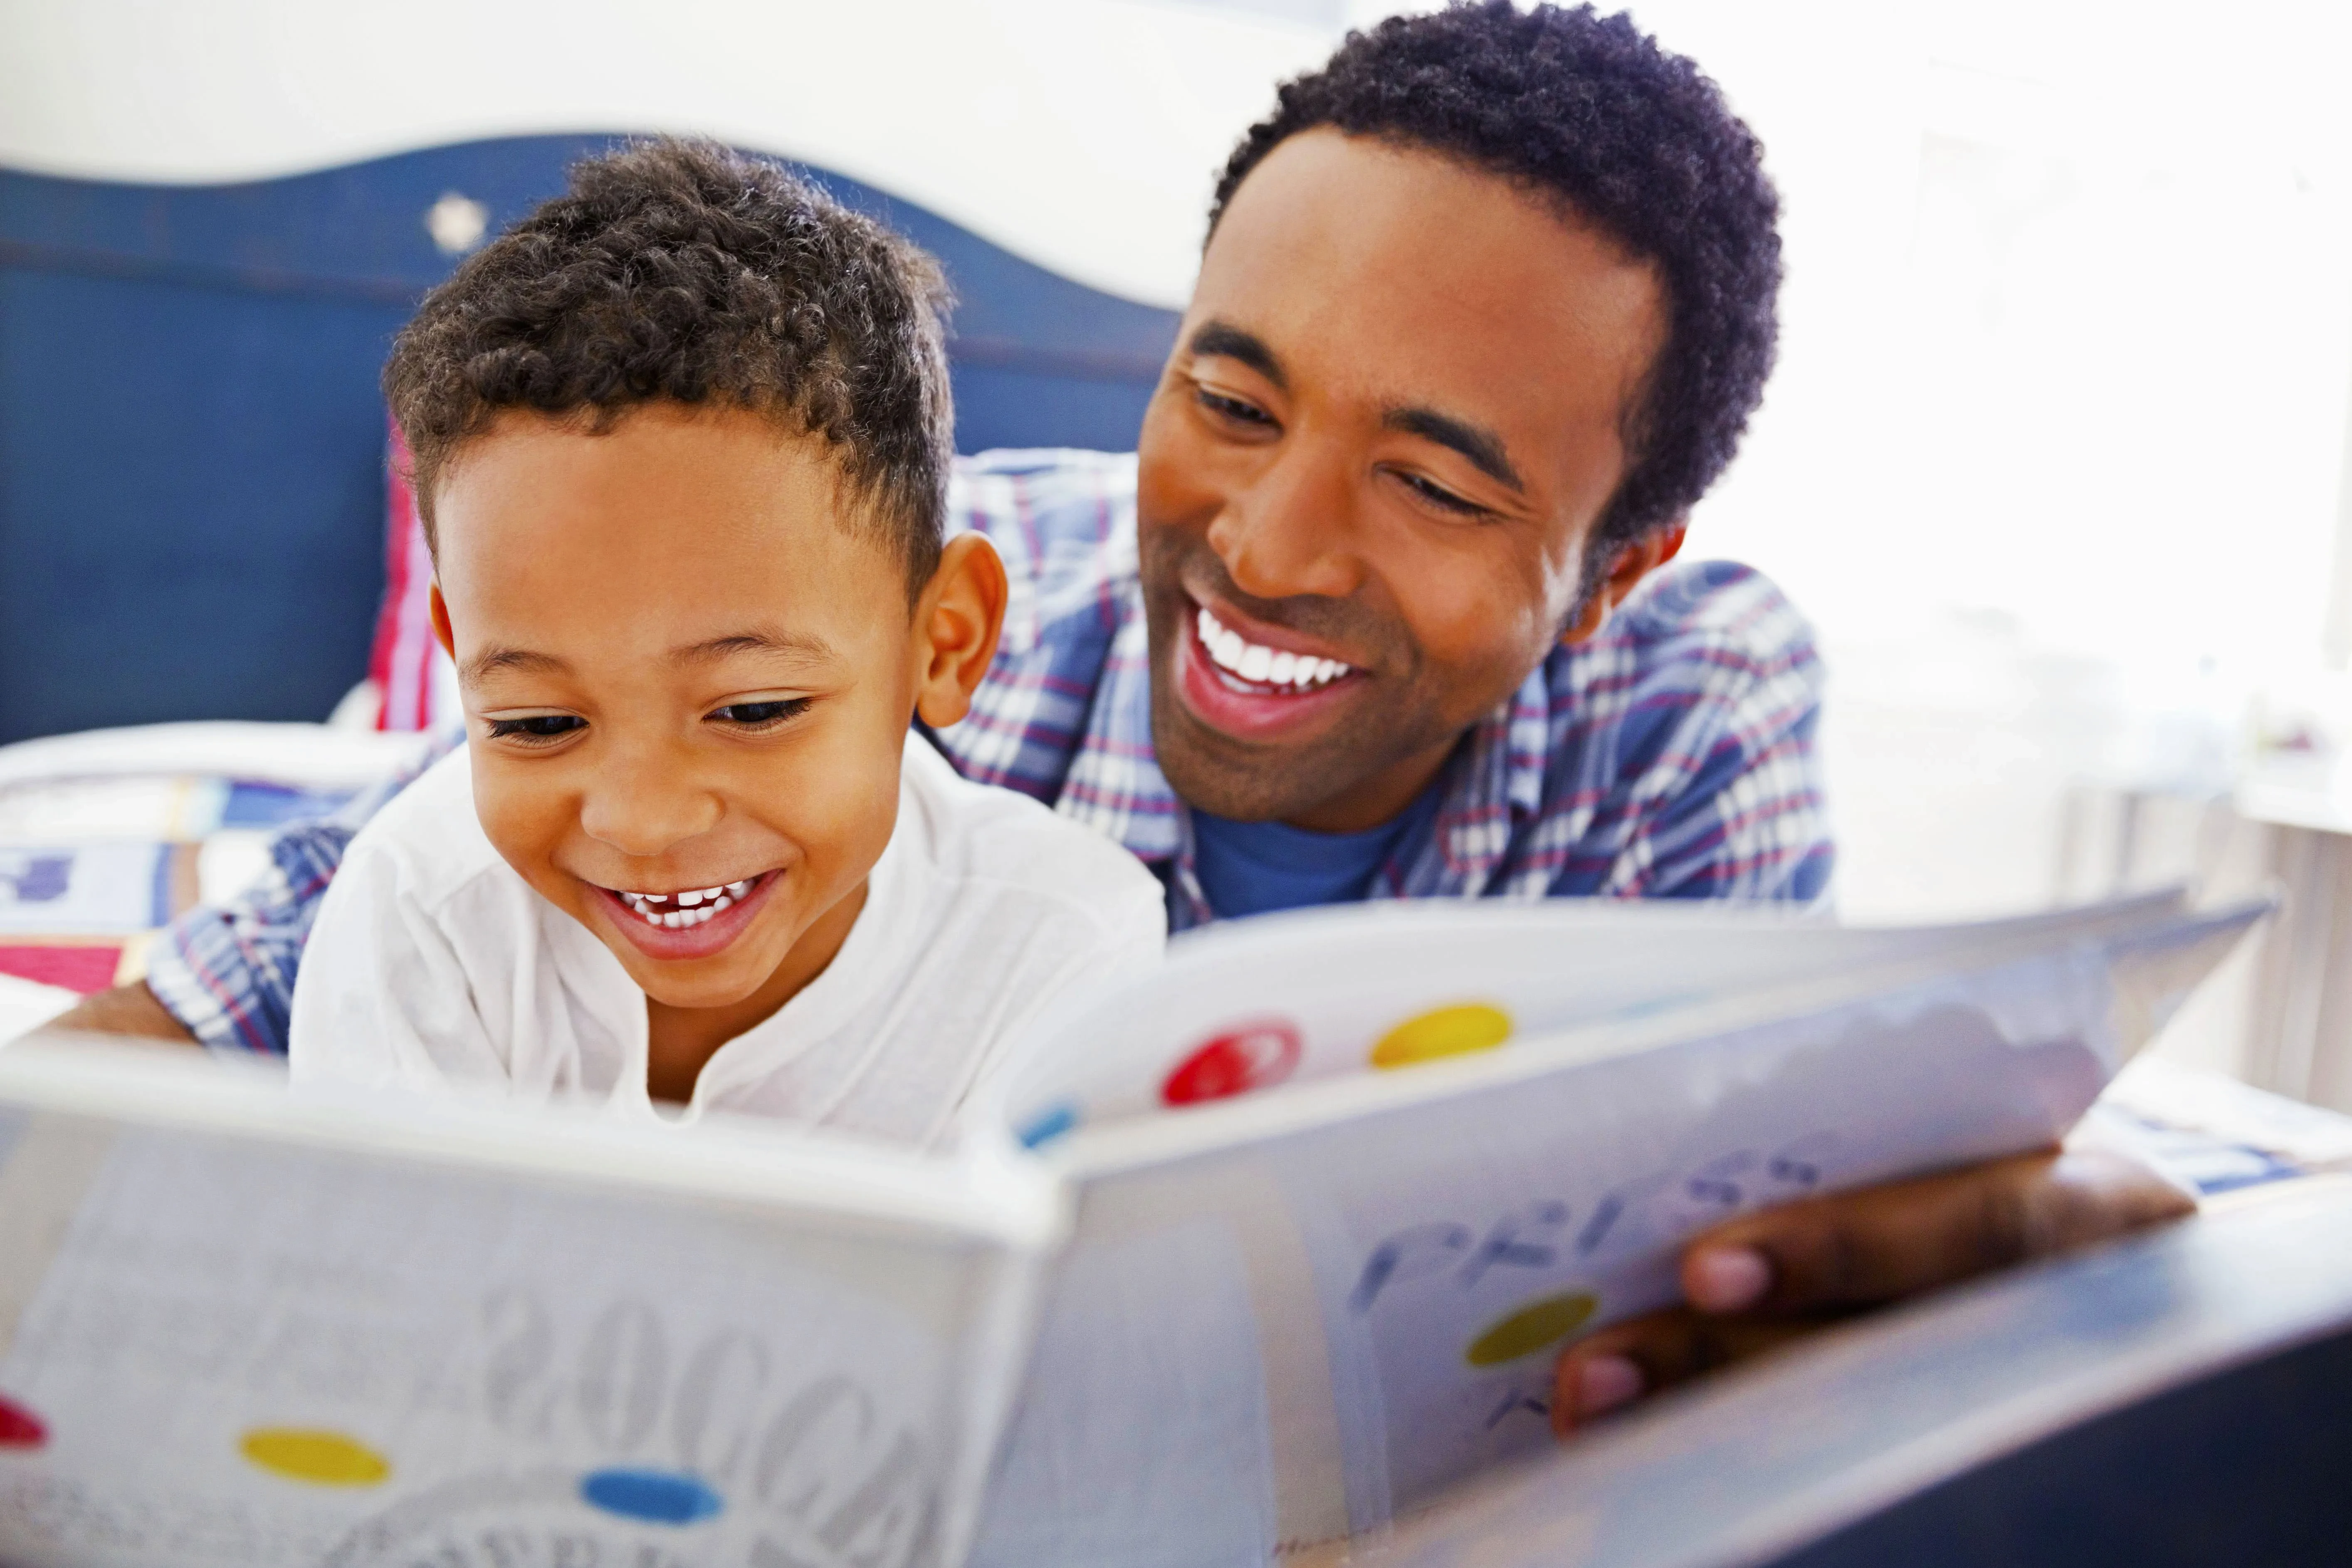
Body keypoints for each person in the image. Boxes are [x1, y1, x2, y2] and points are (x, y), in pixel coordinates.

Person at [49, 1, 2193, 1427]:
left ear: (1616, 558)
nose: (1266, 542)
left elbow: (1795, 1191)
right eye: (1228, 396)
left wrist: (1989, 1232)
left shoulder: (1688, 715)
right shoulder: (901, 584)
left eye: (1438, 481)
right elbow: (309, 938)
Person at [287, 140, 1164, 1146]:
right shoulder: (422, 917)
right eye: (537, 722)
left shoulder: (1063, 952)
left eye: (752, 709)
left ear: (945, 641)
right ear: (458, 661)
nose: (643, 822)